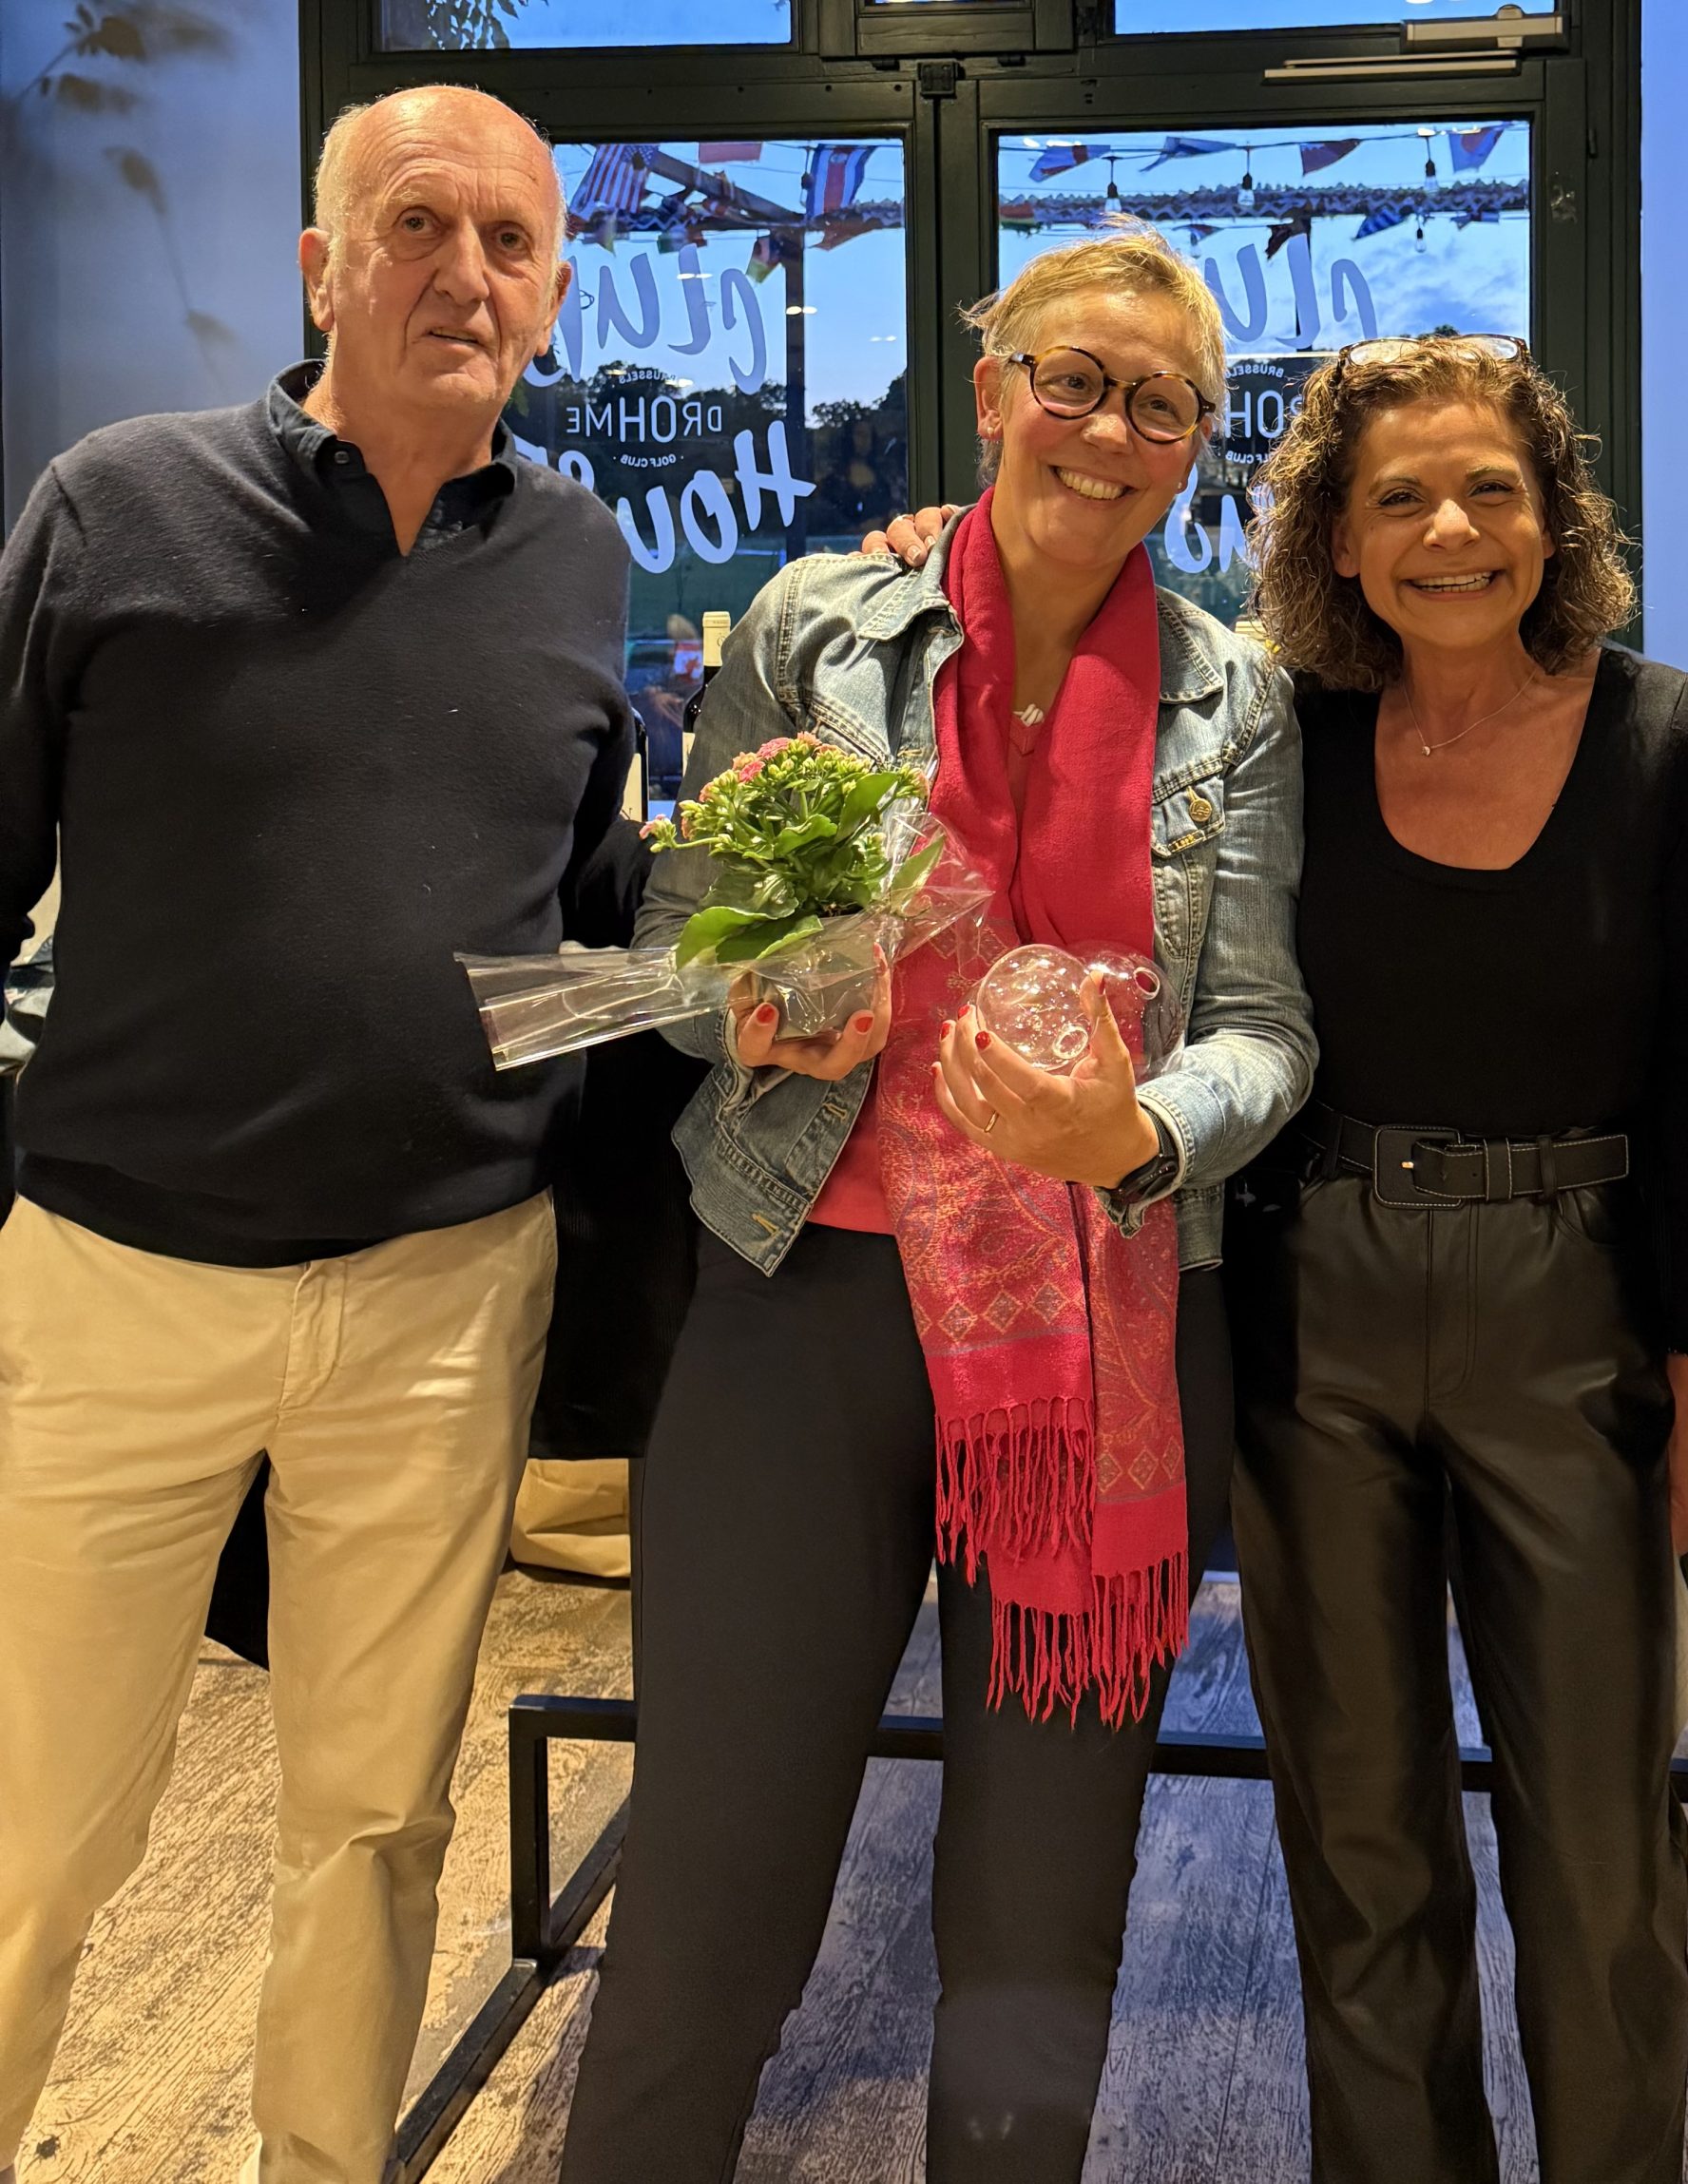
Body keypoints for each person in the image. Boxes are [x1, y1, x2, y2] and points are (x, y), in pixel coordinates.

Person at [555, 224, 1314, 2182]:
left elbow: (1265, 1031)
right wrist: (749, 1007)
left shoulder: (1235, 700)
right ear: (994, 394)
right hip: (801, 1310)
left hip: (1106, 1336)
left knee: (1037, 1915)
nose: (1109, 430)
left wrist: (1134, 1132)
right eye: (1074, 380)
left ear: (1195, 447)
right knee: (716, 1870)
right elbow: (676, 941)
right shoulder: (815, 627)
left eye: (1162, 405)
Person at [0, 86, 635, 2184]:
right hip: (121, 1286)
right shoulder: (117, 506)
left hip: (446, 1295)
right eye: (417, 225)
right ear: (320, 267)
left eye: (511, 242)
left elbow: (570, 929)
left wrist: (752, 962)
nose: (466, 275)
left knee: (372, 1821)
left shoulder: (576, 555)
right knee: (37, 1827)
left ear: (555, 292)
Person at [1232, 337, 1688, 2183]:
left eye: (1490, 489)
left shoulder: (1670, 740)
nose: (1451, 529)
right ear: (1338, 544)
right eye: (1400, 498)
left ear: (1554, 518)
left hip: (1577, 1314)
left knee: (1599, 1858)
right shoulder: (1283, 738)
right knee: (1358, 1846)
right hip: (1318, 1313)